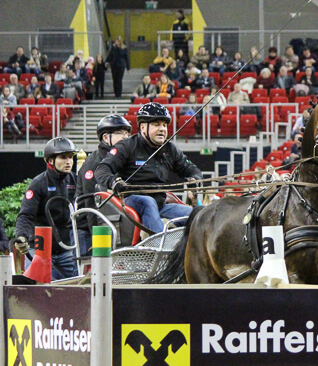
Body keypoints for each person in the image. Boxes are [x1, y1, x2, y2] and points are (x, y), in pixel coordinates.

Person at [94, 103, 203, 234]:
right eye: (156, 124)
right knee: (148, 202)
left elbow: (192, 169)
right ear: (143, 127)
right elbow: (102, 170)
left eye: (164, 125)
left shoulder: (170, 149)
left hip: (160, 205)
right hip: (131, 201)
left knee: (198, 215)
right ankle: (160, 244)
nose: (162, 129)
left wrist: (195, 179)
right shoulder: (127, 146)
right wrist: (114, 182)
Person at [14, 137, 79, 280]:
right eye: (63, 157)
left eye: (70, 157)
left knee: (81, 287)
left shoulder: (75, 181)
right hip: (39, 249)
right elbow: (26, 215)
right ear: (50, 160)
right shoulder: (38, 184)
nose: (69, 161)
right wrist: (22, 236)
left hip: (66, 250)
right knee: (34, 288)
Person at [75, 115, 133, 252]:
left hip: (115, 224)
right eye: (119, 133)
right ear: (106, 138)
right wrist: (97, 239)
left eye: (127, 133)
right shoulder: (93, 164)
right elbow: (91, 203)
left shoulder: (123, 160)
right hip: (89, 230)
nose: (125, 137)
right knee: (93, 265)